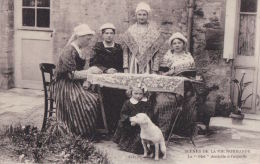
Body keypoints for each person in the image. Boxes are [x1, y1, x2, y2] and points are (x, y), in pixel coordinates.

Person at [51, 24, 99, 138]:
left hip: (72, 83)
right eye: (87, 39)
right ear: (80, 37)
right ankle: (76, 131)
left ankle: (82, 131)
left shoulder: (78, 50)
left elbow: (77, 72)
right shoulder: (69, 51)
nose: (89, 41)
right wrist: (90, 71)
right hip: (63, 85)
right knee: (89, 100)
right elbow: (71, 75)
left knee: (94, 95)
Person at [154, 32, 197, 139]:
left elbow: (192, 76)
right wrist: (169, 73)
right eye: (174, 43)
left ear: (183, 44)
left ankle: (173, 131)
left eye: (179, 43)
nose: (177, 45)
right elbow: (161, 74)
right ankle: (162, 131)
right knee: (162, 102)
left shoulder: (188, 57)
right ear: (171, 45)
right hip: (168, 86)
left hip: (184, 87)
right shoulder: (168, 57)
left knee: (178, 103)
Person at [89, 23, 125, 132]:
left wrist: (116, 72)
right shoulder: (98, 47)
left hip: (116, 78)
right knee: (104, 97)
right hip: (102, 79)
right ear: (102, 35)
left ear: (114, 35)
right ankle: (103, 126)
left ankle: (116, 127)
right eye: (106, 33)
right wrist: (105, 70)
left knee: (119, 96)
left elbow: (122, 64)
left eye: (111, 33)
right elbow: (93, 63)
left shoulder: (118, 48)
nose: (109, 35)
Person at [122, 2, 165, 74]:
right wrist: (125, 67)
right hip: (133, 63)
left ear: (147, 16)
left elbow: (156, 52)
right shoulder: (130, 31)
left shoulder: (154, 32)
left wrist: (155, 69)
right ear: (136, 15)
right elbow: (125, 51)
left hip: (148, 63)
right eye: (139, 14)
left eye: (144, 15)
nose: (141, 17)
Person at [113, 84, 153, 154]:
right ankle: (125, 144)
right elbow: (123, 113)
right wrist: (130, 119)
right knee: (123, 125)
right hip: (130, 122)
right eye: (136, 93)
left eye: (141, 94)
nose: (138, 96)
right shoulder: (128, 103)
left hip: (141, 123)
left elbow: (148, 114)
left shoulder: (146, 103)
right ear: (131, 93)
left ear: (144, 94)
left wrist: (141, 121)